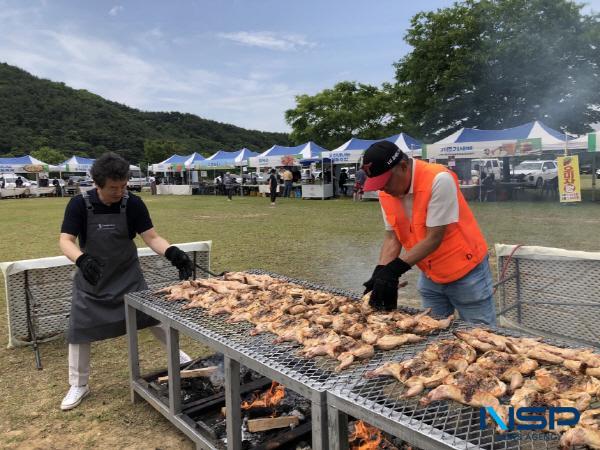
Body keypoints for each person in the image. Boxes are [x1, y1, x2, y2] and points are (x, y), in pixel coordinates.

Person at [58, 152, 194, 411]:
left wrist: (172, 253)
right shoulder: (78, 204)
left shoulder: (133, 203)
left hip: (127, 276)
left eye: (123, 186)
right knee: (79, 330)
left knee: (152, 317)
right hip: (92, 279)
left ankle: (179, 357)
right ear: (97, 184)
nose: (119, 192)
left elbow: (151, 237)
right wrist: (81, 260)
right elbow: (66, 240)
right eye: (113, 188)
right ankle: (79, 384)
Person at [361, 141, 496, 326]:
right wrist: (381, 272)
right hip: (430, 273)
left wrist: (394, 270)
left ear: (402, 166)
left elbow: (434, 238)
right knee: (432, 332)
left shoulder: (439, 179)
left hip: (466, 271)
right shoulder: (386, 193)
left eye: (385, 182)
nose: (381, 189)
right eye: (377, 184)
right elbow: (392, 237)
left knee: (481, 333)